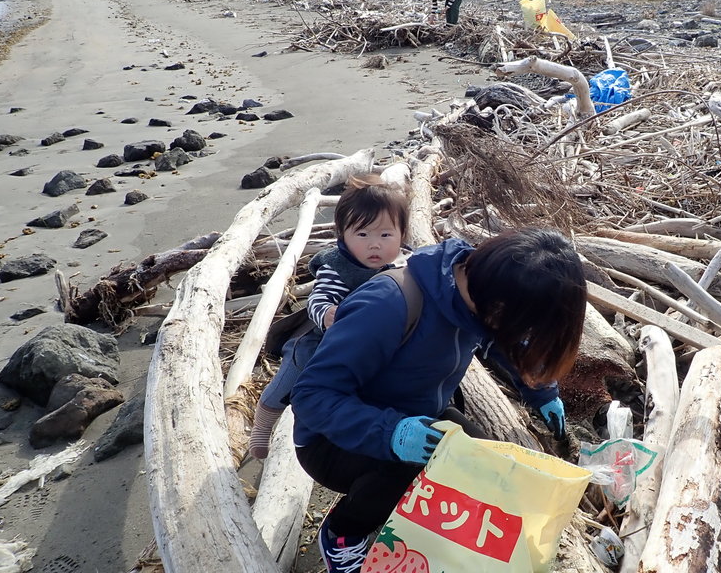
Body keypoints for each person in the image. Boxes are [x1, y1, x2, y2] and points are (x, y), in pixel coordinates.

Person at [290, 227, 588, 573]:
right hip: (330, 438)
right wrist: (393, 434)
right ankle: (344, 532)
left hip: (416, 412)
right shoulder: (389, 304)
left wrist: (541, 392)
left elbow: (502, 342)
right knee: (420, 465)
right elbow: (312, 394)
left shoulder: (482, 290)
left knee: (487, 463)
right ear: (498, 308)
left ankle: (406, 511)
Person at [248, 176, 409, 459]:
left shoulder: (402, 265)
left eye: (385, 235)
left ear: (402, 234)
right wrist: (329, 314)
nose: (374, 245)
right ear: (342, 235)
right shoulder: (337, 267)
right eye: (362, 235)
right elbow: (318, 300)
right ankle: (265, 419)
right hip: (322, 340)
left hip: (370, 343)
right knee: (293, 377)